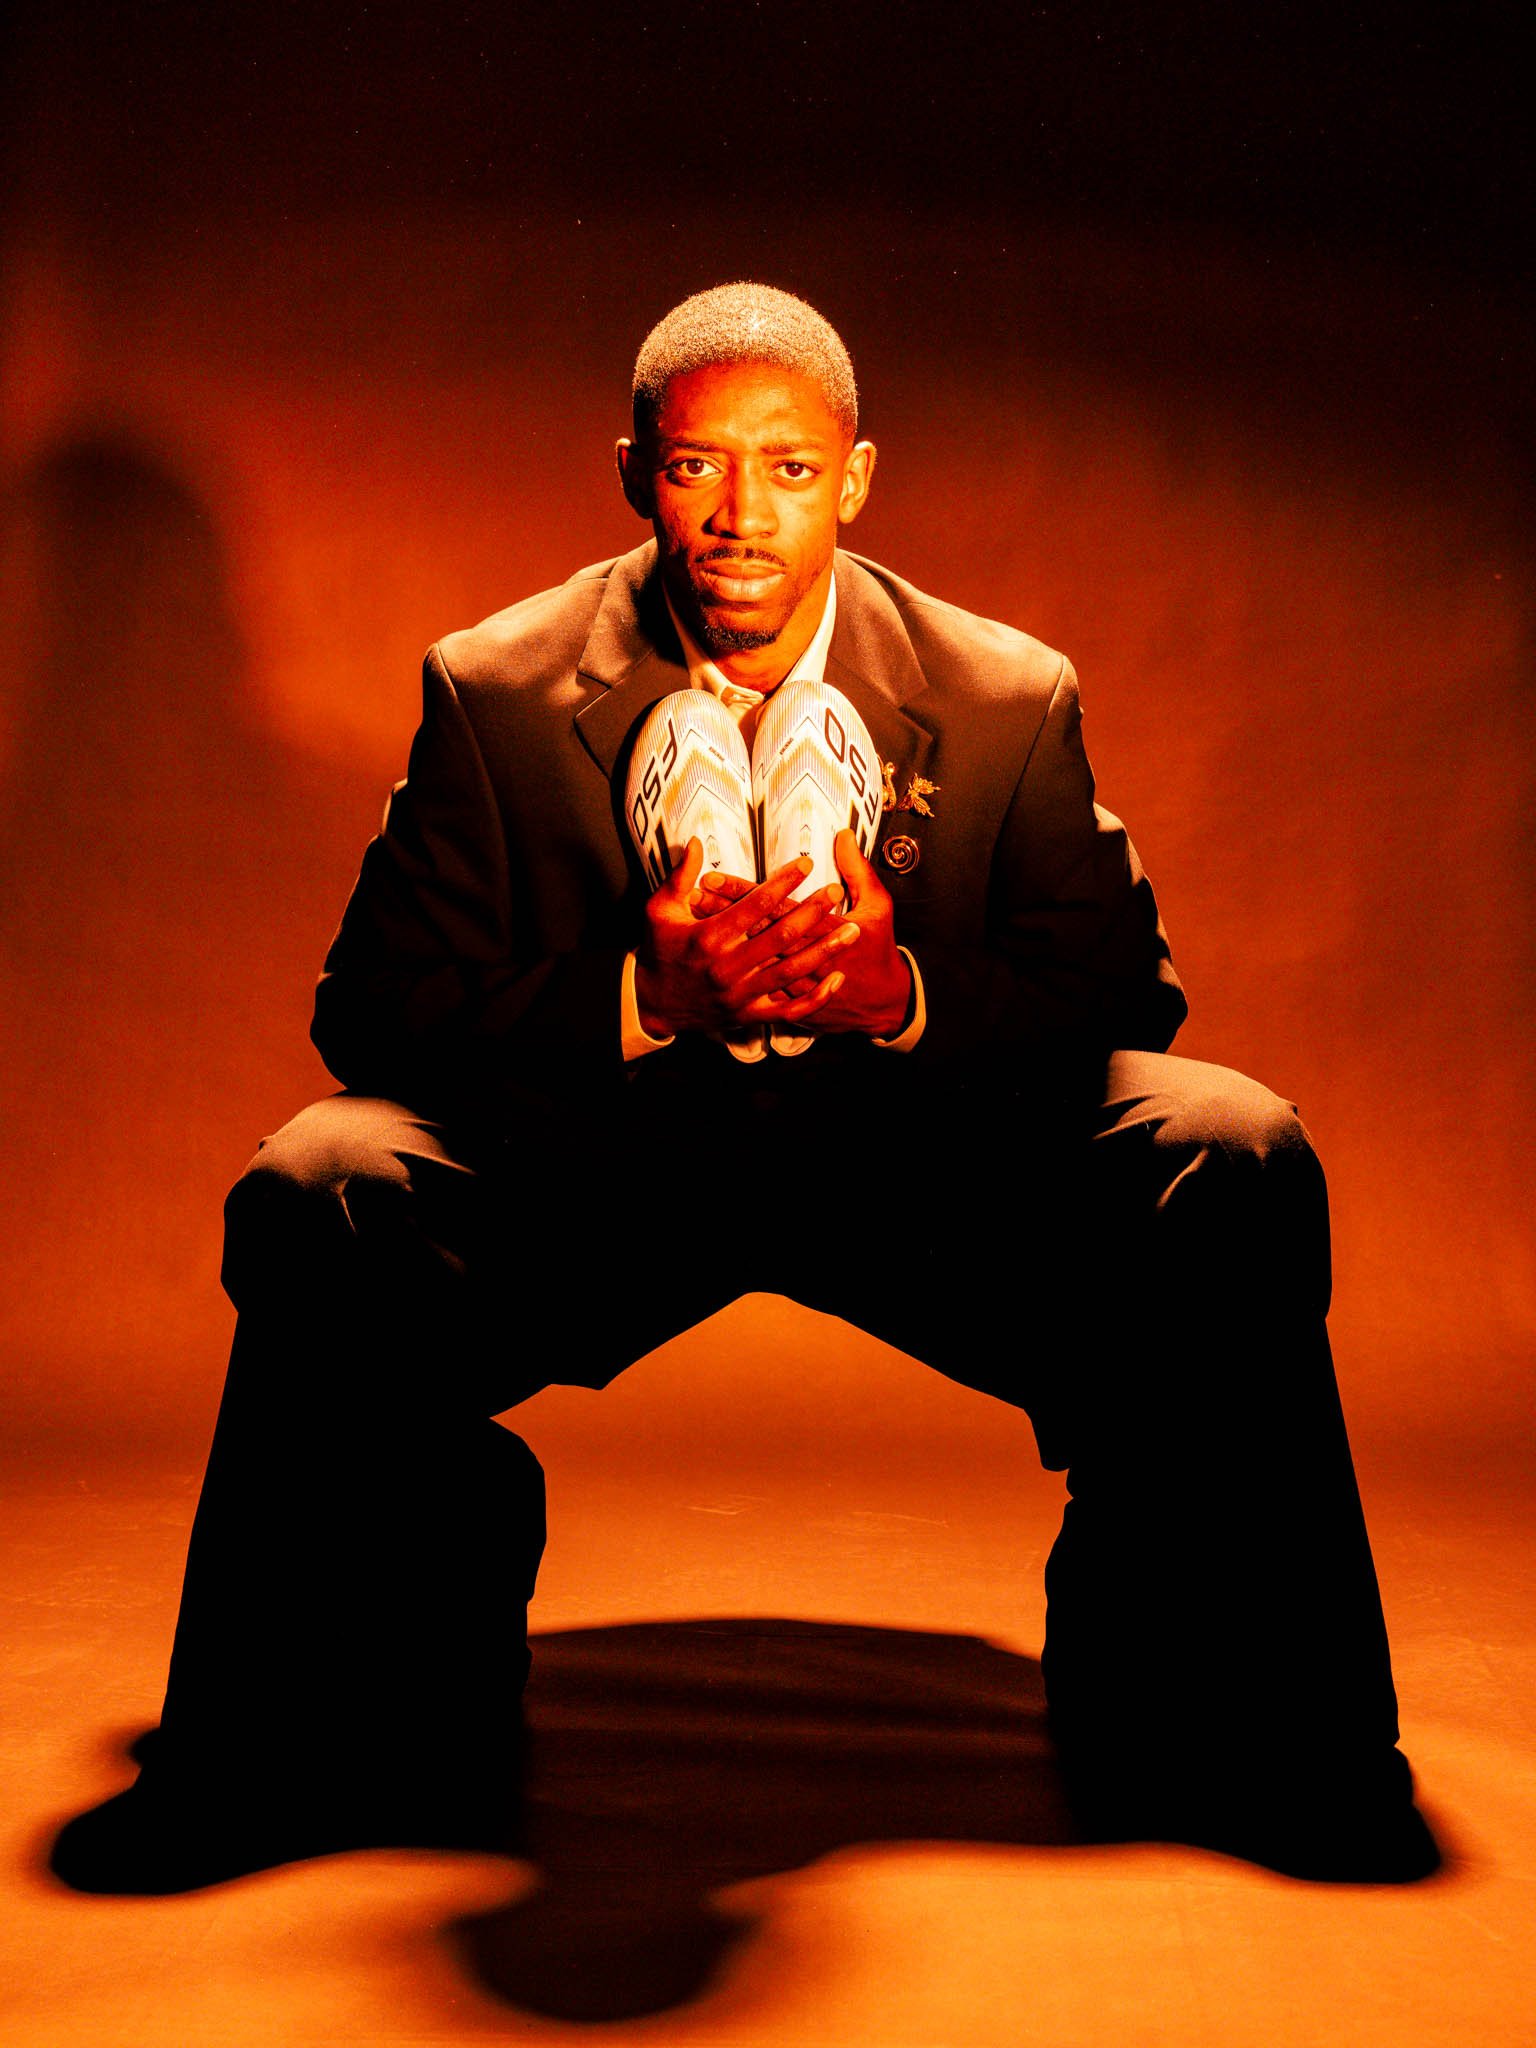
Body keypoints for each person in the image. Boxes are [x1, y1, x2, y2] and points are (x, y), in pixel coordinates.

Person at [53, 282, 1436, 1893]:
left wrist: (900, 995)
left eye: (788, 470)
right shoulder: (497, 689)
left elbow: (1126, 998)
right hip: (611, 1172)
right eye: (696, 465)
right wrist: (639, 998)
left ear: (854, 480)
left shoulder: (1003, 693)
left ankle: (1268, 1737)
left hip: (920, 1174)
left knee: (1232, 1145)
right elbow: (370, 1011)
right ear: (634, 474)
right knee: (322, 1181)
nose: (740, 514)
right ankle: (291, 1739)